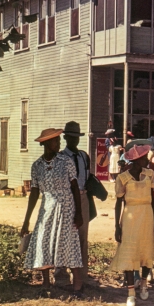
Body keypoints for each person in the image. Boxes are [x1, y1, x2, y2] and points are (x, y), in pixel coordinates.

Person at [21, 128, 84, 297]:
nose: (59, 143)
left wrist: (78, 213)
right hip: (47, 207)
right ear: (47, 143)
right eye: (56, 141)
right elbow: (34, 193)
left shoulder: (66, 161)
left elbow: (75, 188)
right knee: (43, 242)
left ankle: (77, 285)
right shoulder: (37, 166)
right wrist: (26, 221)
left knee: (68, 242)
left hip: (66, 206)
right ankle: (46, 284)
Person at [110, 145, 154, 306]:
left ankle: (144, 283)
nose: (147, 160)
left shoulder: (149, 174)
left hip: (146, 216)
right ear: (136, 160)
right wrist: (117, 226)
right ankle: (131, 292)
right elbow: (118, 203)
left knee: (146, 250)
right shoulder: (123, 177)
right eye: (144, 158)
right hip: (130, 217)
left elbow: (153, 200)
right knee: (129, 253)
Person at [60, 121, 92, 283]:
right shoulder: (60, 157)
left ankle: (82, 275)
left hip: (83, 196)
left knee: (82, 236)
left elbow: (87, 178)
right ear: (65, 138)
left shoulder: (84, 157)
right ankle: (60, 273)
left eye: (77, 137)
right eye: (71, 137)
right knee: (64, 235)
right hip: (67, 199)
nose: (74, 141)